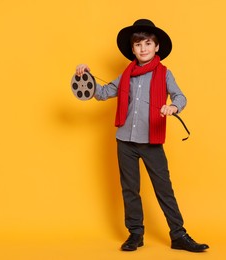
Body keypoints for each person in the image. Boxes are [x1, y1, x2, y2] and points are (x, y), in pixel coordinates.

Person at [75, 19, 209, 252]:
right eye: (138, 44)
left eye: (148, 43)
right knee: (129, 189)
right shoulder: (126, 74)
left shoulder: (165, 74)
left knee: (164, 189)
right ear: (132, 49)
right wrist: (85, 76)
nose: (143, 48)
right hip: (125, 141)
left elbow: (180, 97)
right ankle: (135, 234)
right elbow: (104, 93)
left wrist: (173, 107)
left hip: (151, 141)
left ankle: (178, 234)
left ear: (156, 47)